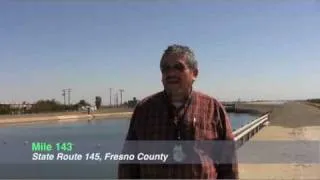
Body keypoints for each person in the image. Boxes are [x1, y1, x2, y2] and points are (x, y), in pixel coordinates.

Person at [118, 44, 239, 179]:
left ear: (194, 73)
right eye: (165, 69)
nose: (171, 73)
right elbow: (128, 164)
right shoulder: (144, 110)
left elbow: (229, 165)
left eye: (178, 67)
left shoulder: (213, 109)